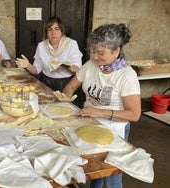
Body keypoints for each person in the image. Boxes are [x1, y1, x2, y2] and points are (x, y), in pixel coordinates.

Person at [54, 23, 141, 188]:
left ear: (116, 51)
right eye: (93, 51)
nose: (95, 56)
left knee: (111, 175)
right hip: (91, 122)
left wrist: (100, 112)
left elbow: (134, 114)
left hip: (115, 128)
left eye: (100, 52)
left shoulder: (126, 76)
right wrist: (65, 95)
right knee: (95, 172)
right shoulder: (91, 65)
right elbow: (71, 86)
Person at [16, 16, 85, 108]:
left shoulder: (71, 44)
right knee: (46, 109)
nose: (53, 33)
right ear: (46, 33)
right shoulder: (41, 46)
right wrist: (28, 65)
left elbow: (79, 71)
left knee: (66, 110)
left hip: (66, 83)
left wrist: (66, 66)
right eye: (50, 29)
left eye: (56, 29)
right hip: (46, 83)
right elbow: (36, 70)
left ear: (61, 31)